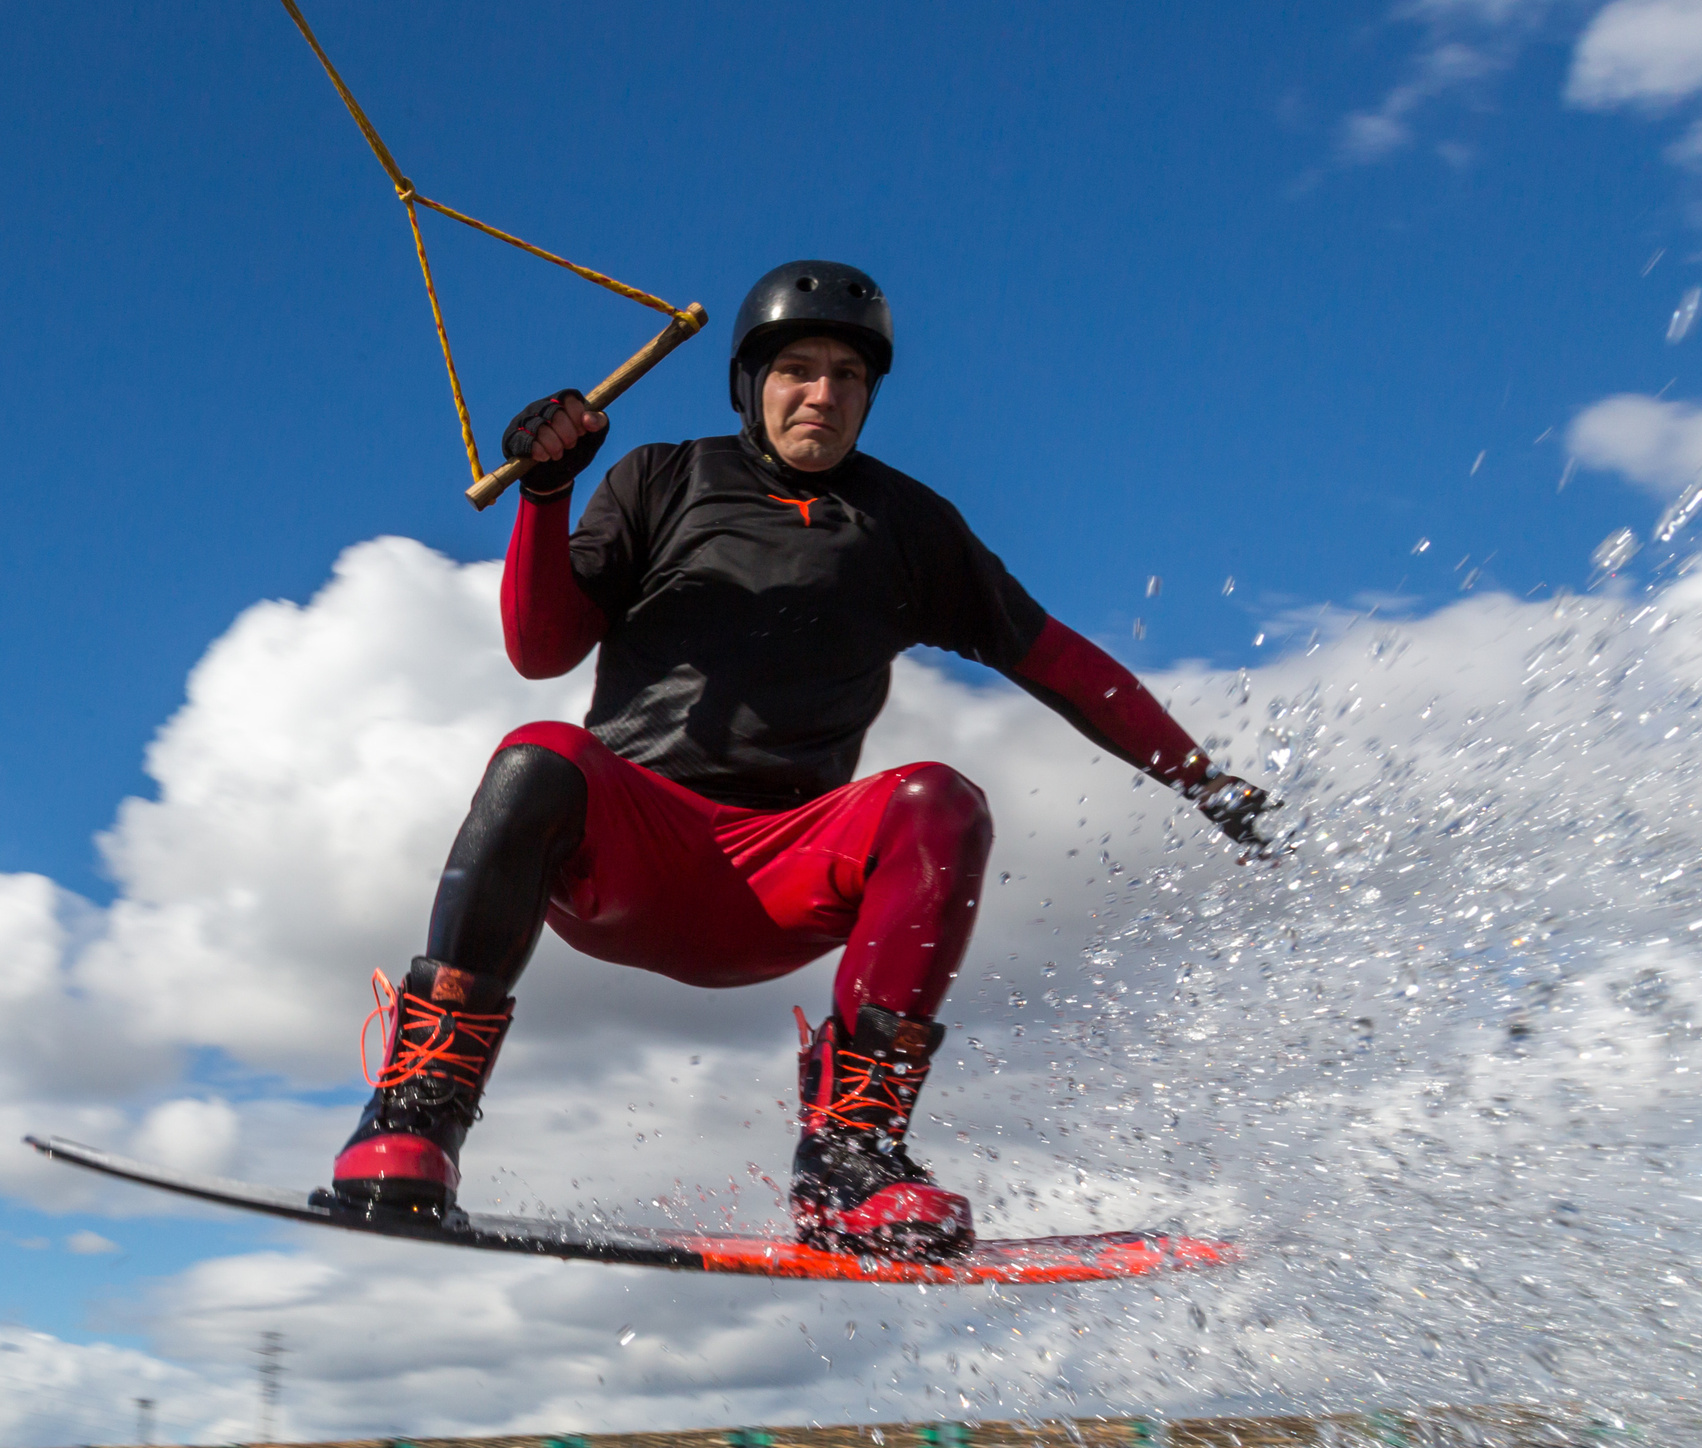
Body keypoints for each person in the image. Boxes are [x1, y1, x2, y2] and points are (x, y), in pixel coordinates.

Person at [325, 260, 1272, 1260]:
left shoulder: (909, 527)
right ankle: (415, 1116)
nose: (823, 394)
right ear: (749, 383)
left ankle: (850, 1161)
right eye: (797, 370)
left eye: (848, 376)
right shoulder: (662, 478)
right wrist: (548, 494)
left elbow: (1059, 662)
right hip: (629, 854)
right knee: (539, 753)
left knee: (939, 800)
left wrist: (1202, 778)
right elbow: (539, 650)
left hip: (781, 882)